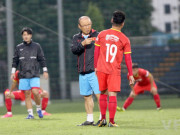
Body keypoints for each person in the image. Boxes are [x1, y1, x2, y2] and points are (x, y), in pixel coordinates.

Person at [94, 10, 135, 127]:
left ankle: (102, 119)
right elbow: (128, 59)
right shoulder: (125, 39)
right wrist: (130, 74)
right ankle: (111, 121)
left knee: (102, 93)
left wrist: (96, 67)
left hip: (101, 68)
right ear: (123, 23)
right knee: (112, 95)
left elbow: (96, 52)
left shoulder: (101, 34)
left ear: (112, 20)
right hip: (114, 70)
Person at [11, 27, 49, 119]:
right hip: (23, 75)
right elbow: (15, 60)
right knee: (27, 94)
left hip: (34, 73)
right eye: (24, 35)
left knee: (36, 92)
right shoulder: (18, 47)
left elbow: (42, 59)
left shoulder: (37, 46)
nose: (26, 36)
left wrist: (45, 70)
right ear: (22, 36)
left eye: (28, 34)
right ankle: (30, 114)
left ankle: (38, 109)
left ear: (31, 35)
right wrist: (12, 72)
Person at [71, 16, 101, 126]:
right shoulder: (76, 37)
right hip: (82, 72)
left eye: (89, 24)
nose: (87, 27)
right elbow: (74, 50)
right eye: (84, 25)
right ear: (79, 26)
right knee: (86, 96)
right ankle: (89, 119)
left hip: (95, 72)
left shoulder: (98, 35)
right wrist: (83, 43)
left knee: (99, 96)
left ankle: (103, 118)